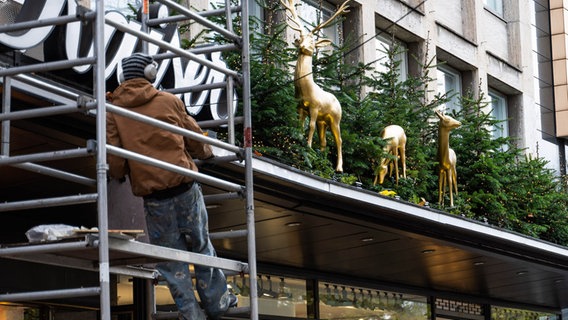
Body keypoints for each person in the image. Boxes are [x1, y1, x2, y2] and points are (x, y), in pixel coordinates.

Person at [106, 53, 237, 320]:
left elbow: (115, 158)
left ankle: (191, 314)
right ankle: (216, 302)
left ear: (122, 77)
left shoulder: (114, 111)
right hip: (184, 187)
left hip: (155, 198)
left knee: (170, 260)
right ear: (150, 74)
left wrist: (121, 174)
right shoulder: (169, 101)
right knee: (201, 246)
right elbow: (194, 138)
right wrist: (207, 154)